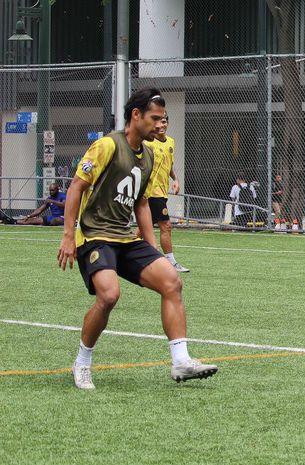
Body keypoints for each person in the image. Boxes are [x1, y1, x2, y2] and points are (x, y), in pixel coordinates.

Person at [57, 88, 218, 390]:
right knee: (108, 296)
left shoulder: (151, 156)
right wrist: (68, 236)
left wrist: (151, 249)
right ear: (136, 115)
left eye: (164, 119)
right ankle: (82, 363)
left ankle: (181, 361)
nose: (161, 125)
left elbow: (141, 203)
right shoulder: (107, 145)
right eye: (155, 118)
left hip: (124, 238)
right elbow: (77, 187)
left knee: (171, 281)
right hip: (95, 236)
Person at [140, 113, 189, 273]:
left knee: (142, 229)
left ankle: (120, 254)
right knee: (166, 225)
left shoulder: (171, 142)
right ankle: (171, 262)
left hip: (161, 192)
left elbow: (170, 166)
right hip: (150, 191)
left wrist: (175, 180)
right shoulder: (147, 142)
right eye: (159, 121)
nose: (162, 124)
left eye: (165, 121)